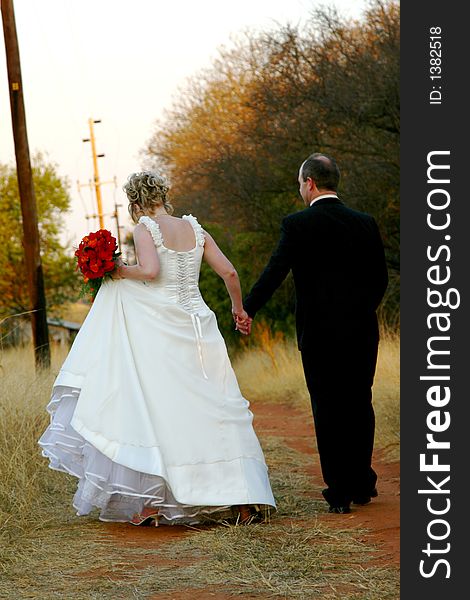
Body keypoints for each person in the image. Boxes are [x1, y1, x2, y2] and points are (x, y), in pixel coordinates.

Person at [38, 170, 276, 526]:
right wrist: (238, 310)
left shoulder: (145, 228)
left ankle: (154, 503)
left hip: (164, 328)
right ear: (164, 195)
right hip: (201, 324)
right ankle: (242, 502)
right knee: (220, 409)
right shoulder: (196, 229)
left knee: (165, 412)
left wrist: (117, 270)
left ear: (135, 202)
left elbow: (150, 271)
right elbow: (229, 273)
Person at [241, 153, 388, 514]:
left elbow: (275, 272)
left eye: (299, 184)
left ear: (310, 183)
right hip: (361, 332)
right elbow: (380, 279)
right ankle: (362, 482)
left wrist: (247, 309)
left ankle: (339, 491)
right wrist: (359, 311)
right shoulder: (365, 223)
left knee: (327, 407)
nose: (300, 190)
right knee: (359, 402)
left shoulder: (297, 224)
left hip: (319, 333)